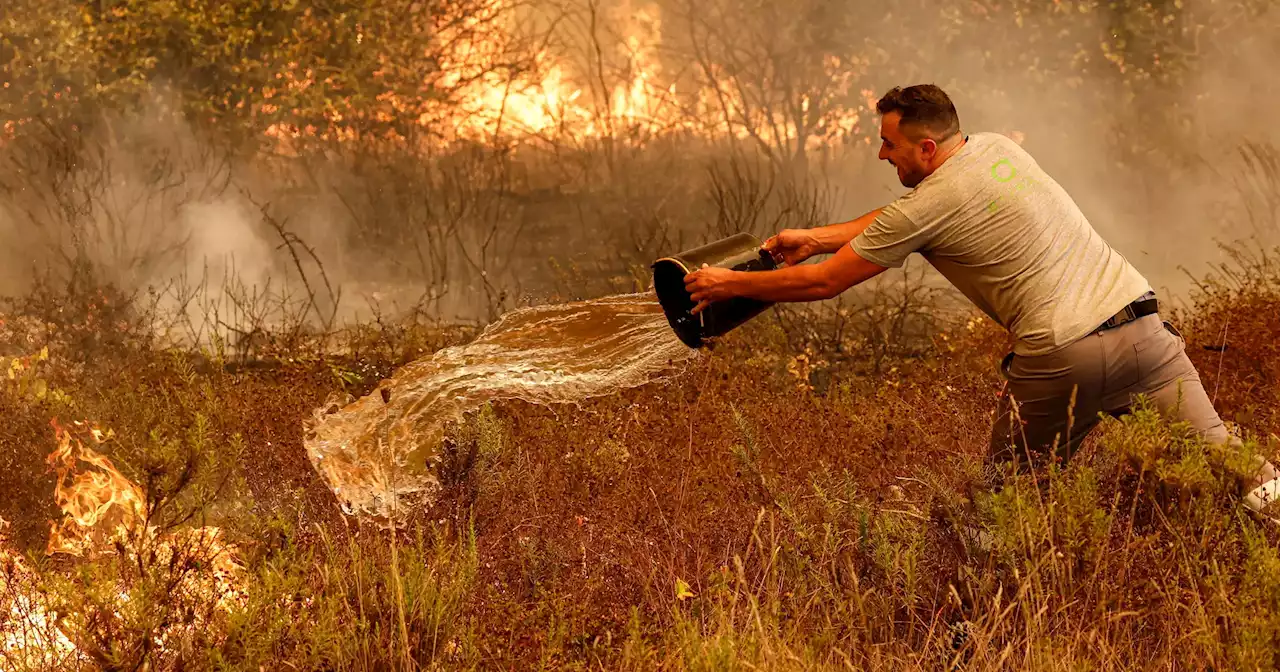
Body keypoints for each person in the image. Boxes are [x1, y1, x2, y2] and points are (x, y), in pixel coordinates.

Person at [683, 83, 1279, 520]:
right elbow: (905, 220)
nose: (881, 155)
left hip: (1062, 355)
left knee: (1007, 505)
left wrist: (726, 284)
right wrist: (814, 237)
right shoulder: (995, 149)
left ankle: (979, 631)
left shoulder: (927, 204)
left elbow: (824, 283)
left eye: (889, 145)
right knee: (1237, 470)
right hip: (1145, 332)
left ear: (925, 147)